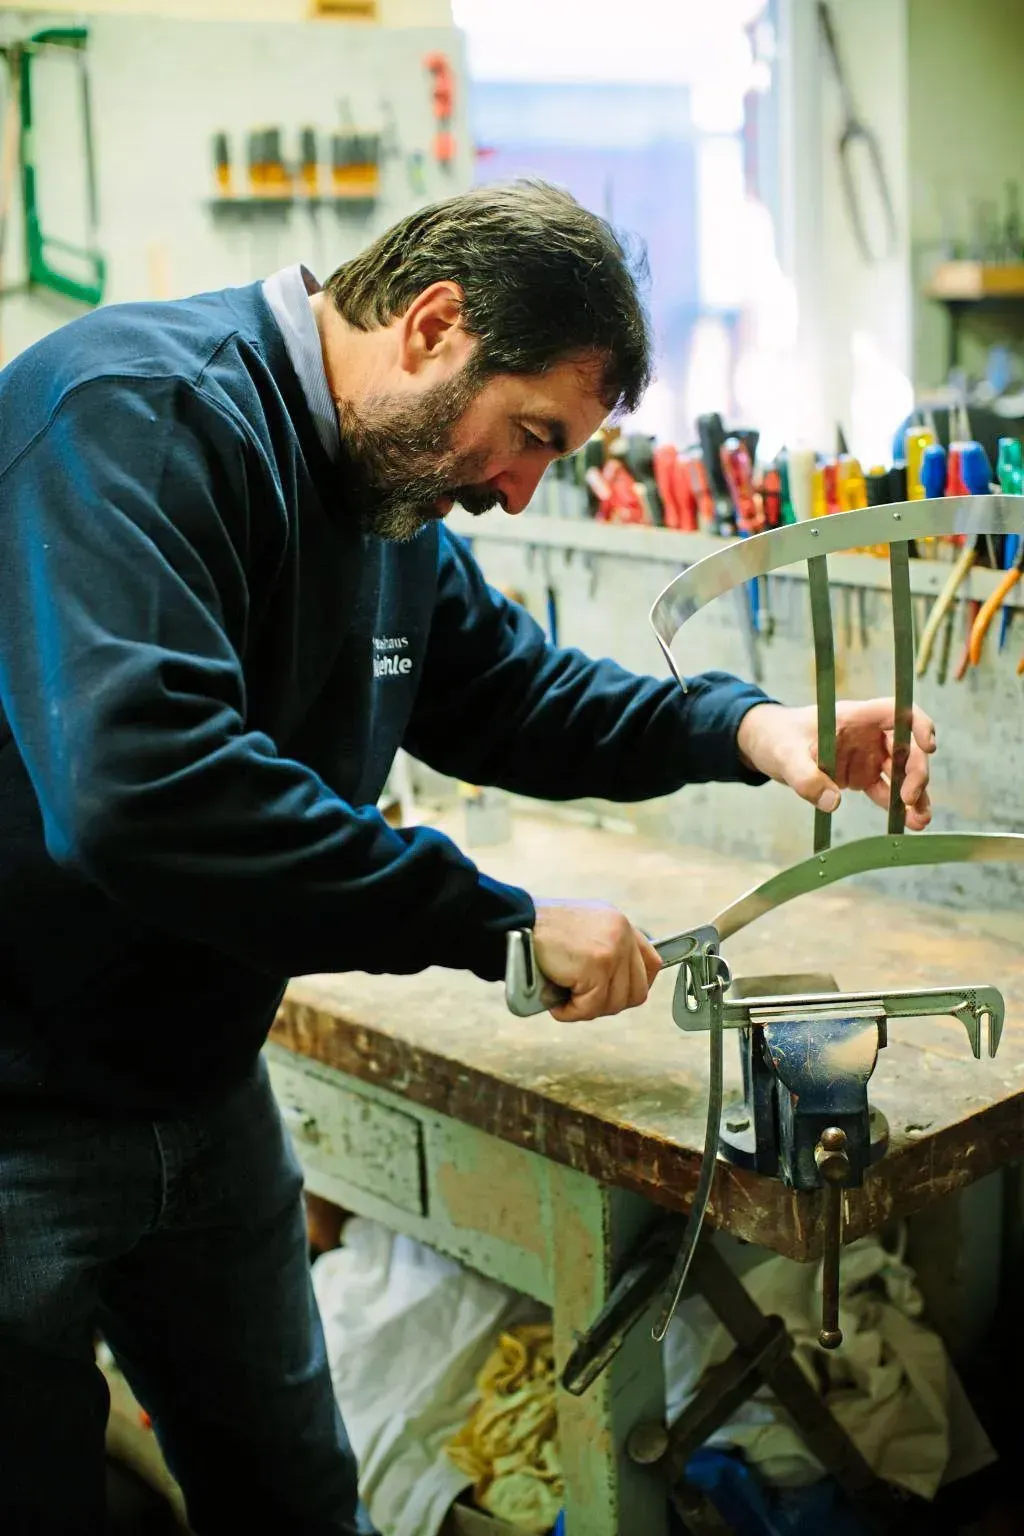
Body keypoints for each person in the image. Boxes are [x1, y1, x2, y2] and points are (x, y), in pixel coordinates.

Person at [0, 179, 934, 1533]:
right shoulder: (134, 417)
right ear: (433, 326)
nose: (518, 490)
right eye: (531, 436)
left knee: (298, 1497)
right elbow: (143, 788)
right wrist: (500, 921)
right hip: (18, 1117)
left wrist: (750, 725)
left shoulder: (386, 504)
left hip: (201, 1095)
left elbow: (516, 694)